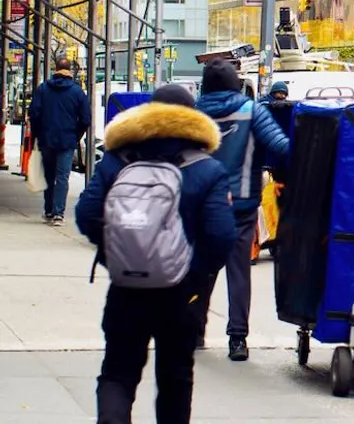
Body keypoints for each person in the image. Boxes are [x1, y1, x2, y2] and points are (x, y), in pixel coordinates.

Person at [75, 84, 237, 424]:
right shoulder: (207, 168)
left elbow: (87, 213)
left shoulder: (119, 158)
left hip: (126, 287)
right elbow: (221, 234)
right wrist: (196, 272)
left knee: (118, 371)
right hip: (181, 294)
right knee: (176, 377)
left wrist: (116, 256)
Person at [195, 59, 291, 361]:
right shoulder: (252, 111)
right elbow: (282, 146)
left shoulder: (194, 114)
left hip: (204, 206)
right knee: (238, 273)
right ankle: (238, 339)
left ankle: (196, 332)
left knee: (202, 270)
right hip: (243, 206)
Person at [29, 57, 91, 226]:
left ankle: (48, 210)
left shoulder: (43, 89)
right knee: (62, 177)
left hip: (47, 140)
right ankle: (58, 214)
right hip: (67, 141)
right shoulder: (78, 92)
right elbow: (85, 119)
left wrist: (38, 134)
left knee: (49, 175)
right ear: (69, 70)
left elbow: (34, 113)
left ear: (55, 69)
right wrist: (75, 135)